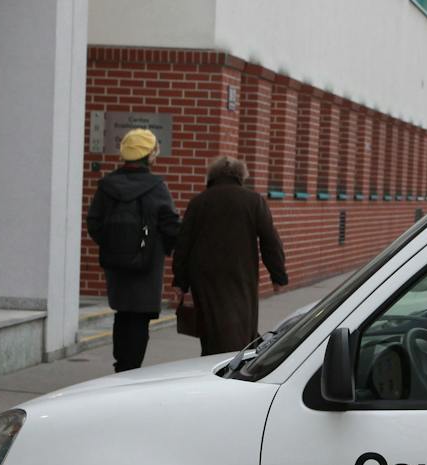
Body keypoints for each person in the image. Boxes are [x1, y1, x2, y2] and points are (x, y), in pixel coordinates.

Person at [85, 128, 180, 372]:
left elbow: (94, 223)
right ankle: (132, 367)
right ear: (149, 155)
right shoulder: (156, 187)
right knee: (140, 317)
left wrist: (113, 244)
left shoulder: (107, 186)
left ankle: (121, 365)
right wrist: (163, 248)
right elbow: (171, 226)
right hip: (147, 265)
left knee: (122, 313)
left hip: (116, 263)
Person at [173, 156, 288, 356]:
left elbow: (183, 245)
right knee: (241, 323)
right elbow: (270, 241)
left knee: (211, 327)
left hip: (204, 276)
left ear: (212, 177)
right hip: (241, 274)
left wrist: (180, 282)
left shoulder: (199, 202)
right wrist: (277, 275)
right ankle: (233, 364)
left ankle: (214, 361)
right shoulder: (253, 201)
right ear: (241, 176)